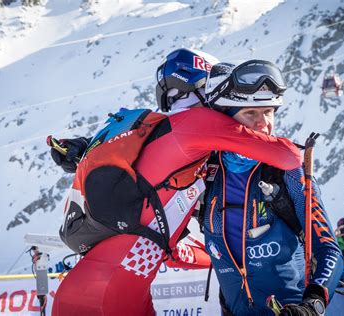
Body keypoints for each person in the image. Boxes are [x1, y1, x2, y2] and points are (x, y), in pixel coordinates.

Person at [50, 49, 303, 315]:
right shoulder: (199, 123)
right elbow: (288, 156)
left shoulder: (162, 141)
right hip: (114, 295)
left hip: (96, 287)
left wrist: (226, 261)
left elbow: (169, 248)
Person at [201, 60, 344, 315]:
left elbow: (330, 250)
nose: (263, 123)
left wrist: (313, 304)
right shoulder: (206, 172)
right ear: (224, 119)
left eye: (268, 112)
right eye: (251, 113)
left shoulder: (288, 170)